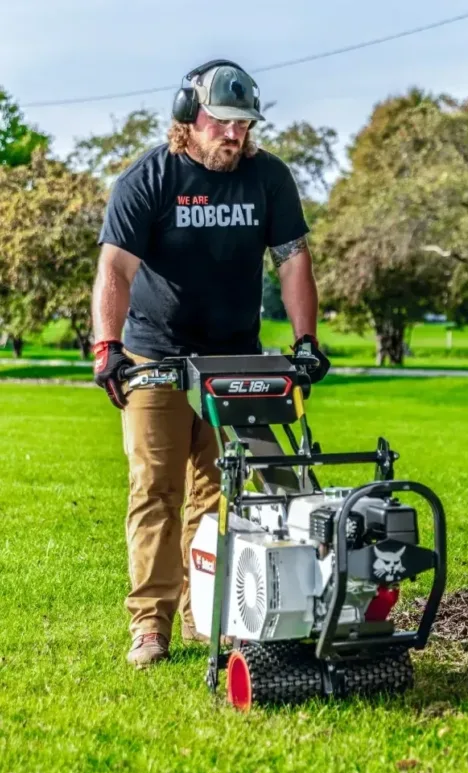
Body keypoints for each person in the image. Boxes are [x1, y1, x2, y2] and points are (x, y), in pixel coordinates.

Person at [90, 59, 330, 669]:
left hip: (232, 358)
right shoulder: (149, 178)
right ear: (187, 119)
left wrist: (306, 341)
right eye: (222, 123)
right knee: (155, 488)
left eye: (244, 125)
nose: (235, 136)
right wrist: (107, 346)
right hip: (156, 352)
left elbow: (293, 260)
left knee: (218, 488)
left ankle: (207, 615)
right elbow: (115, 268)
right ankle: (150, 624)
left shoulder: (268, 178)